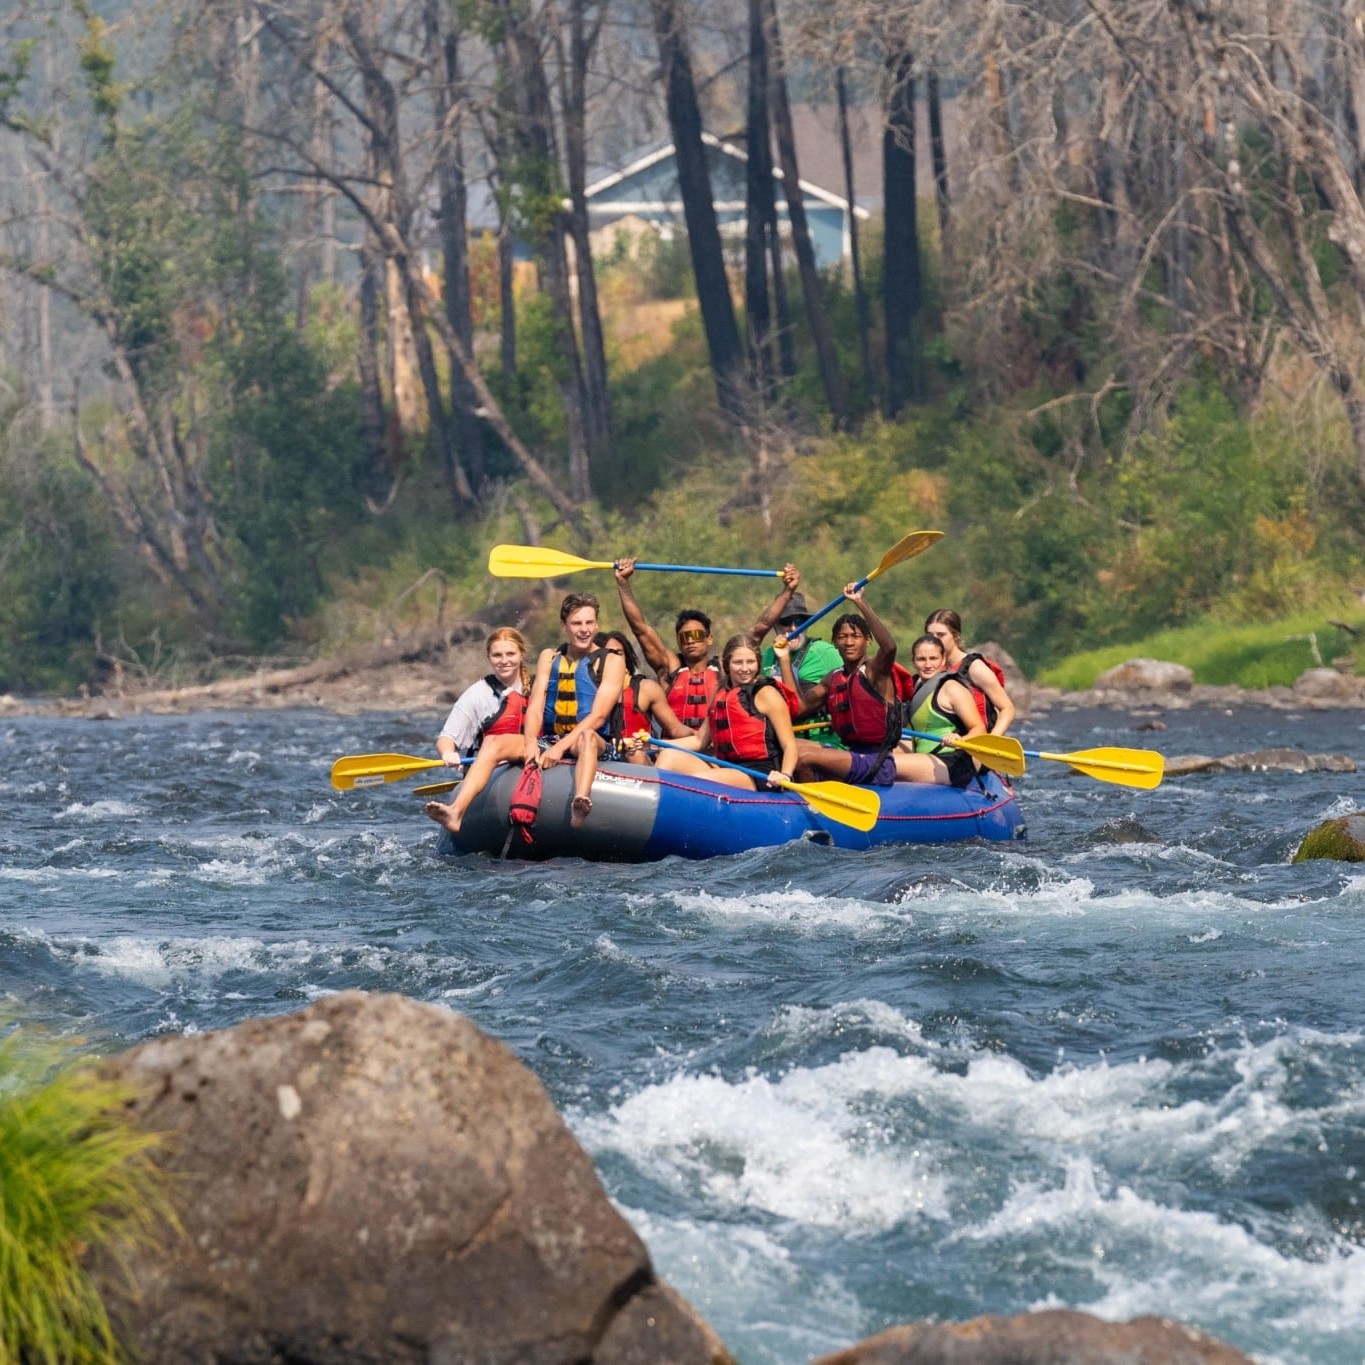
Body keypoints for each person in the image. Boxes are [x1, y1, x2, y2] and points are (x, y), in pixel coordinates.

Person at [612, 557, 800, 730]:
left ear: (709, 639)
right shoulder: (668, 668)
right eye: (685, 637)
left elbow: (760, 628)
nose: (691, 640)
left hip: (718, 753)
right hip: (678, 752)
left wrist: (788, 590)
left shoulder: (726, 667)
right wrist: (623, 583)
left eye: (697, 635)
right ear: (678, 643)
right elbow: (640, 629)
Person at [773, 585, 905, 786]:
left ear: (868, 641)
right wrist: (784, 660)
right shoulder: (833, 678)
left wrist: (860, 602)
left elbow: (889, 647)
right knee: (787, 746)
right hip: (851, 755)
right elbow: (798, 707)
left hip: (877, 763)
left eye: (856, 636)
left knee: (805, 757)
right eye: (843, 637)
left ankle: (810, 807)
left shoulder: (875, 671)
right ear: (834, 642)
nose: (849, 642)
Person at [522, 592, 627, 826]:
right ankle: (457, 811)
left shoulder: (611, 661)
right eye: (576, 623)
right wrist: (530, 742)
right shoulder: (548, 657)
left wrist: (559, 748)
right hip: (549, 739)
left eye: (589, 622)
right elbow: (536, 706)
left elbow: (599, 716)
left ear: (597, 624)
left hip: (593, 743)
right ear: (564, 626)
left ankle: (580, 801)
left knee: (587, 737)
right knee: (496, 743)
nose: (584, 629)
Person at [652, 634, 800, 790]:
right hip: (726, 769)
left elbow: (790, 744)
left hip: (759, 774)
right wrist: (654, 745)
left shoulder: (766, 693)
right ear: (727, 664)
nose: (745, 669)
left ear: (758, 663)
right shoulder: (721, 694)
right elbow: (699, 741)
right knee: (668, 757)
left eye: (750, 662)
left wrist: (785, 774)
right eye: (738, 662)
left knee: (701, 780)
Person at [424, 627, 531, 834]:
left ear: (521, 655)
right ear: (489, 658)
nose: (504, 660)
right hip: (494, 773)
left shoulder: (538, 687)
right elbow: (447, 737)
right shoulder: (478, 694)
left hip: (531, 766)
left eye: (510, 654)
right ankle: (457, 812)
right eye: (497, 655)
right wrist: (448, 752)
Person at [901, 633, 989, 786]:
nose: (928, 665)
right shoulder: (916, 687)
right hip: (925, 758)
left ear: (943, 659)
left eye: (933, 658)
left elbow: (979, 728)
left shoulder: (952, 688)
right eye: (921, 659)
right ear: (913, 661)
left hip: (952, 760)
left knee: (885, 764)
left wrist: (960, 740)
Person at [593, 630, 691, 764]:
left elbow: (675, 729)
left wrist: (703, 738)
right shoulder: (586, 688)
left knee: (634, 754)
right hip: (602, 757)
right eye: (608, 653)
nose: (615, 658)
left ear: (626, 657)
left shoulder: (647, 689)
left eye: (619, 653)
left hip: (639, 760)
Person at [923, 608, 1015, 736]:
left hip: (975, 744)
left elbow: (1007, 709)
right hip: (946, 744)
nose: (934, 641)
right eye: (929, 636)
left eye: (941, 635)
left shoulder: (975, 667)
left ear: (956, 636)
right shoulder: (931, 670)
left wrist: (993, 739)